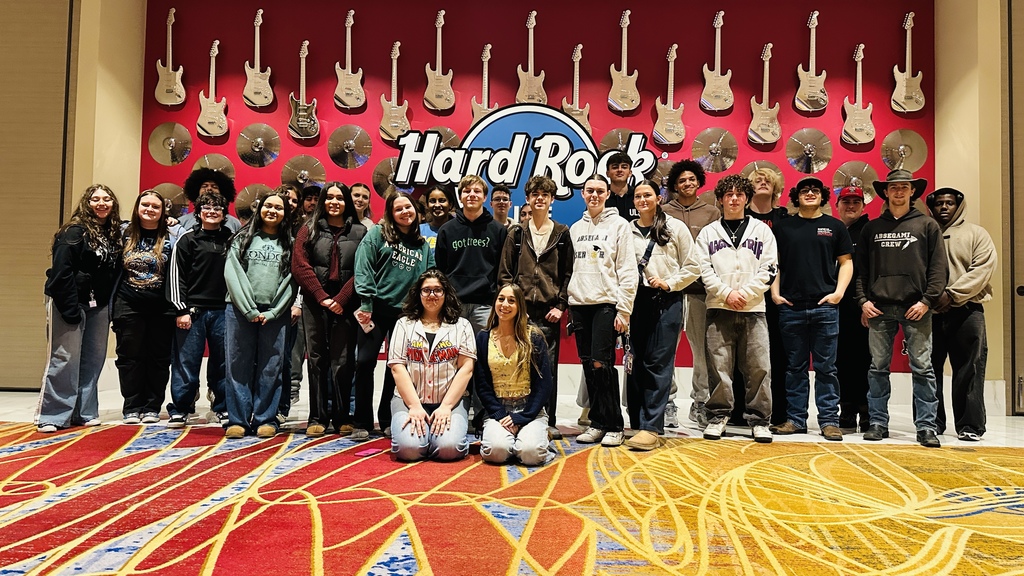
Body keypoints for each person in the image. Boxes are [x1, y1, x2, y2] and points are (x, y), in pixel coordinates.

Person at [855, 169, 947, 448]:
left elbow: (939, 269)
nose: (898, 191)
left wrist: (927, 301)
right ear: (885, 192)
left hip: (916, 308)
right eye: (893, 187)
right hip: (879, 309)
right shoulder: (871, 228)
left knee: (923, 368)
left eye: (904, 187)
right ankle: (878, 423)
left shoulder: (927, 226)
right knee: (878, 368)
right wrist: (863, 301)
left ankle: (927, 427)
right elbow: (861, 272)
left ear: (912, 192)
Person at [769, 177, 853, 441]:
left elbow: (846, 262)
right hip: (791, 308)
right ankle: (796, 420)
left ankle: (829, 421)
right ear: (796, 196)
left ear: (823, 196)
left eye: (815, 190)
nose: (810, 193)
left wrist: (838, 294)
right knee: (795, 367)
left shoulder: (835, 226)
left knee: (827, 368)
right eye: (804, 190)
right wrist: (774, 293)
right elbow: (776, 265)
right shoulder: (782, 228)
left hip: (825, 308)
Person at [696, 175, 778, 443]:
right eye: (728, 195)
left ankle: (759, 420)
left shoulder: (762, 231)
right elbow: (703, 269)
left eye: (739, 194)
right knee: (718, 367)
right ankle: (719, 417)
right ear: (720, 200)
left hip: (754, 309)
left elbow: (770, 267)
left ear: (746, 198)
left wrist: (744, 293)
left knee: (759, 367)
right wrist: (725, 293)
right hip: (718, 308)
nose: (733, 199)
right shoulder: (709, 232)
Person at [36, 185, 122, 433]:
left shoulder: (113, 234)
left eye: (107, 199)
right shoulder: (74, 232)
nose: (101, 203)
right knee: (65, 358)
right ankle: (53, 415)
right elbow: (61, 273)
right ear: (87, 203)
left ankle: (84, 412)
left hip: (99, 306)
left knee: (92, 361)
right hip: (68, 302)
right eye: (95, 199)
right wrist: (70, 308)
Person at [625, 179, 699, 450]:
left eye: (648, 195)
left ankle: (652, 426)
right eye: (637, 196)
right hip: (635, 302)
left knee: (658, 363)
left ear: (658, 198)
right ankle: (636, 422)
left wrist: (670, 283)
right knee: (634, 363)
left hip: (666, 300)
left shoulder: (674, 227)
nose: (642, 200)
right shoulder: (627, 229)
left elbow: (694, 266)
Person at [497, 175, 574, 439]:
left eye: (545, 194)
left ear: (552, 200)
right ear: (527, 199)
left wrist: (561, 305)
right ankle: (519, 417)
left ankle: (547, 420)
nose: (539, 198)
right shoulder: (516, 234)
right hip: (520, 313)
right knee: (518, 366)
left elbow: (567, 274)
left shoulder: (562, 233)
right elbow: (505, 274)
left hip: (550, 313)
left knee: (547, 368)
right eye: (535, 194)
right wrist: (515, 306)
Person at [354, 191, 434, 438]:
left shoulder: (422, 244)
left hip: (407, 314)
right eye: (398, 209)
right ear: (390, 212)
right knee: (364, 362)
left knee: (397, 366)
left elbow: (429, 275)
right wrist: (366, 303)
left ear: (415, 210)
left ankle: (387, 418)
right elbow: (363, 267)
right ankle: (362, 421)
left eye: (408, 207)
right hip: (376, 309)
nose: (404, 212)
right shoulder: (377, 234)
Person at [568, 174, 638, 447]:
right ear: (582, 194)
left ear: (607, 193)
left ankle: (614, 425)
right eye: (589, 191)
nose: (594, 195)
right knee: (588, 365)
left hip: (606, 304)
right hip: (579, 305)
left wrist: (624, 310)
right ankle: (597, 422)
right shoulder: (574, 229)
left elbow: (628, 270)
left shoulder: (619, 226)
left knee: (602, 363)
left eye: (599, 190)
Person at [292, 182, 367, 438]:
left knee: (343, 362)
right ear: (323, 201)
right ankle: (317, 416)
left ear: (347, 201)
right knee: (316, 360)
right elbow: (300, 266)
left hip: (346, 306)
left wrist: (342, 298)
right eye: (329, 197)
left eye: (340, 198)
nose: (334, 202)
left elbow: (363, 270)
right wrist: (322, 297)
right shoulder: (308, 229)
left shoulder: (360, 231)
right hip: (315, 303)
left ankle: (342, 416)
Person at [223, 193, 297, 439]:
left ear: (286, 213)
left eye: (279, 207)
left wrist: (274, 311)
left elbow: (290, 281)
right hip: (240, 312)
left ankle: (266, 418)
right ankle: (238, 420)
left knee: (271, 366)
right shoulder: (243, 238)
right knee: (237, 365)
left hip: (275, 314)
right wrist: (249, 309)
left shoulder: (290, 243)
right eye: (268, 205)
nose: (272, 210)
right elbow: (233, 273)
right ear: (259, 208)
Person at [926, 188, 995, 441]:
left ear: (959, 206)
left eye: (950, 203)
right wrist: (932, 299)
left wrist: (952, 295)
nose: (944, 207)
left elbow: (983, 269)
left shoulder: (976, 233)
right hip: (928, 312)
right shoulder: (923, 232)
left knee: (970, 368)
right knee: (927, 370)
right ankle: (930, 422)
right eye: (939, 204)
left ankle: (970, 426)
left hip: (967, 311)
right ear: (931, 208)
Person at [388, 269, 476, 461]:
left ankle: (434, 438)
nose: (432, 295)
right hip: (409, 401)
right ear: (418, 294)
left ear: (446, 294)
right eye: (426, 290)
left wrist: (446, 407)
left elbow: (466, 369)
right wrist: (414, 406)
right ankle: (425, 438)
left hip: (450, 403)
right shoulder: (404, 324)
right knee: (409, 449)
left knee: (448, 449)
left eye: (438, 290)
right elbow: (397, 368)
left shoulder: (462, 326)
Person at [112, 190, 181, 424]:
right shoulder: (123, 232)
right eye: (145, 205)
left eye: (155, 206)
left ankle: (152, 406)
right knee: (129, 356)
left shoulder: (173, 233)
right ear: (137, 207)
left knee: (159, 358)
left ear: (163, 212)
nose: (150, 210)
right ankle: (132, 406)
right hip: (128, 303)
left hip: (162, 306)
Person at [166, 191, 232, 428]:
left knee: (223, 363)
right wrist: (181, 309)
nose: (212, 211)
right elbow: (176, 277)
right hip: (192, 311)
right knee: (186, 361)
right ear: (199, 212)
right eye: (207, 207)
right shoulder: (187, 240)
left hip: (225, 311)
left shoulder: (232, 239)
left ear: (224, 213)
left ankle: (222, 407)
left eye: (217, 208)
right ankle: (181, 408)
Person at [662, 159, 719, 428]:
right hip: (670, 292)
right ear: (674, 184)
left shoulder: (711, 212)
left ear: (699, 182)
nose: (687, 184)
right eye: (682, 180)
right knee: (667, 351)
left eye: (692, 179)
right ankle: (668, 403)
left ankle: (700, 403)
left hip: (701, 293)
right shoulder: (663, 212)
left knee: (702, 351)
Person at [475, 284, 555, 465]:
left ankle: (533, 440)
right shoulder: (483, 338)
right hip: (498, 410)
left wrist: (523, 417)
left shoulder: (533, 337)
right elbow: (482, 384)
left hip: (530, 410)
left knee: (531, 455)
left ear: (520, 306)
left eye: (511, 301)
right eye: (501, 299)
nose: (505, 305)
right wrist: (500, 413)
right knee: (496, 453)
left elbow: (544, 384)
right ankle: (514, 442)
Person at [745, 168, 789, 427]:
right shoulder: (740, 216)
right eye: (757, 180)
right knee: (743, 355)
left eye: (768, 180)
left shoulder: (785, 218)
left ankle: (779, 411)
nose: (763, 182)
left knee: (777, 356)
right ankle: (742, 409)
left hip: (778, 297)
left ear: (776, 187)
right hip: (746, 294)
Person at [835, 186, 872, 432]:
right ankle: (847, 412)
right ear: (838, 205)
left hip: (864, 309)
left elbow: (872, 271)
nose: (851, 206)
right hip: (838, 308)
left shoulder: (870, 230)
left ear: (863, 205)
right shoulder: (835, 231)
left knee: (867, 363)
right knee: (842, 362)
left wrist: (866, 303)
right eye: (846, 201)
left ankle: (868, 414)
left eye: (855, 201)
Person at [178, 168, 241, 232]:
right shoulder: (183, 222)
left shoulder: (234, 223)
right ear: (196, 191)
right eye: (204, 186)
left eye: (214, 186)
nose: (209, 189)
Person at [419, 184, 458, 254]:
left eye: (442, 201)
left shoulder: (458, 230)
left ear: (450, 205)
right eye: (432, 201)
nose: (437, 205)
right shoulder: (419, 230)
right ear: (427, 205)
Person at [604, 151, 638, 221]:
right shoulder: (601, 196)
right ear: (607, 173)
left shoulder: (638, 195)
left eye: (624, 167)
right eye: (615, 167)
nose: (619, 170)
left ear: (630, 173)